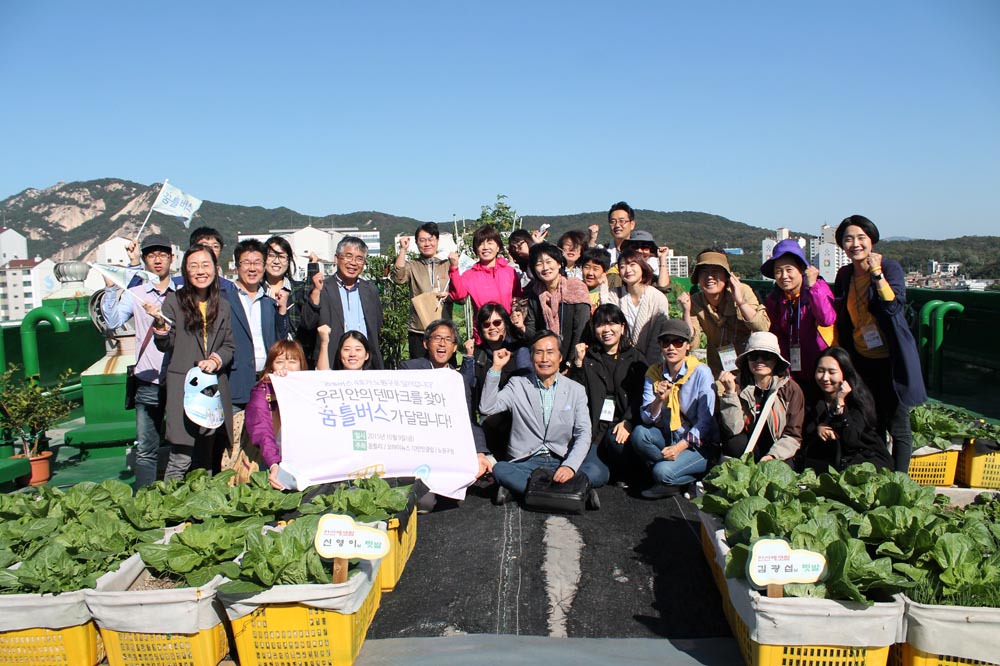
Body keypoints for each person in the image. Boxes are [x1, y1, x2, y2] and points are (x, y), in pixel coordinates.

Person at [832, 215, 926, 473]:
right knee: (873, 420)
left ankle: (901, 479)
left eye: (861, 237)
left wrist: (876, 273)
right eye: (848, 239)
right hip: (861, 358)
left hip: (891, 358)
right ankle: (882, 470)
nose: (855, 244)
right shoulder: (845, 274)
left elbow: (894, 306)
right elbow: (840, 312)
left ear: (872, 239)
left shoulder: (889, 267)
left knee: (898, 424)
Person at [479, 330, 601, 508]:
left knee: (598, 471)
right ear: (531, 357)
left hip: (561, 457)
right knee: (500, 469)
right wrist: (496, 368)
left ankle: (523, 491)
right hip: (526, 462)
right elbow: (487, 408)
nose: (544, 358)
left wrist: (570, 467)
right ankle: (576, 492)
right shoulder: (517, 384)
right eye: (539, 352)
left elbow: (584, 433)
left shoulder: (576, 390)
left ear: (560, 357)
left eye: (550, 352)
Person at [148, 244, 235, 480]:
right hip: (183, 387)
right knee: (181, 456)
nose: (200, 271)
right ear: (185, 271)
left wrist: (216, 360)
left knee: (206, 458)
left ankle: (200, 510)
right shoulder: (173, 303)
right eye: (193, 266)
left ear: (215, 269)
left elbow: (229, 346)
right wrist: (160, 327)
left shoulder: (224, 305)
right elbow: (166, 345)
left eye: (205, 265)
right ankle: (168, 510)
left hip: (211, 389)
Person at [101, 232, 177, 488]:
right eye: (152, 255)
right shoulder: (135, 292)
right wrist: (110, 290)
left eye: (162, 255)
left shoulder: (182, 292)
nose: (158, 260)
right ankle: (145, 499)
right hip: (148, 379)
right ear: (144, 260)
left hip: (178, 378)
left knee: (183, 443)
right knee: (146, 448)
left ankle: (179, 495)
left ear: (172, 258)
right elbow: (112, 322)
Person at [630, 320, 718, 498]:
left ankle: (680, 476)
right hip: (670, 435)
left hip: (699, 445)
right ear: (660, 346)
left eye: (678, 342)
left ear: (687, 345)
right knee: (640, 434)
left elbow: (705, 423)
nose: (671, 347)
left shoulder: (701, 372)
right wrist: (658, 400)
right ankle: (672, 475)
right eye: (666, 342)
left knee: (662, 472)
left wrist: (679, 448)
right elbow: (647, 419)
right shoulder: (654, 373)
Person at [401, 320, 491, 479]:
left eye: (448, 339)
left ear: (455, 347)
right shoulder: (410, 369)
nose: (442, 343)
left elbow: (468, 419)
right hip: (417, 447)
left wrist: (480, 452)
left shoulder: (459, 380)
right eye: (436, 338)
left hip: (449, 447)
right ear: (425, 344)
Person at [568, 304, 648, 484]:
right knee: (592, 477)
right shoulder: (589, 358)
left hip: (621, 427)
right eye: (600, 324)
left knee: (616, 443)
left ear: (622, 327)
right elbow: (575, 395)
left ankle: (629, 470)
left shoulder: (635, 358)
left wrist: (628, 420)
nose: (606, 330)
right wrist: (578, 365)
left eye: (612, 323)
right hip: (596, 431)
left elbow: (642, 396)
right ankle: (611, 471)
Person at [761, 239, 836, 405]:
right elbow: (777, 335)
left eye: (789, 270)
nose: (784, 276)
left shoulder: (818, 288)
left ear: (802, 269)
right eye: (778, 271)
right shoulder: (775, 299)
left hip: (820, 370)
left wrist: (812, 288)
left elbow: (826, 319)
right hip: (792, 372)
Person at [222, 239, 290, 409]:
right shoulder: (223, 299)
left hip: (266, 383)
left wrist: (282, 312)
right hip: (235, 383)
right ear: (237, 266)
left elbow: (279, 340)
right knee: (236, 435)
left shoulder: (269, 302)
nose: (252, 268)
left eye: (258, 263)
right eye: (246, 262)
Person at [717, 332, 805, 463]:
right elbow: (733, 429)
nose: (759, 361)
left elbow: (793, 435)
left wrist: (772, 457)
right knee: (734, 443)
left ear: (776, 361)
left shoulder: (791, 390)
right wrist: (730, 393)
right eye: (753, 356)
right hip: (749, 448)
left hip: (778, 449)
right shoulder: (738, 385)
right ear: (747, 361)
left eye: (766, 356)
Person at [802, 347, 893, 472]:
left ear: (844, 373)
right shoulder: (811, 397)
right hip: (829, 460)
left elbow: (851, 440)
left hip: (864, 461)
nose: (825, 378)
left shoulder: (857, 399)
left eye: (832, 372)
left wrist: (840, 404)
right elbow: (803, 430)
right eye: (820, 371)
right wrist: (818, 429)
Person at [682, 248, 770, 377]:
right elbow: (692, 343)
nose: (709, 277)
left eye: (716, 271)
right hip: (718, 369)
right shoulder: (695, 301)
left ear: (727, 275)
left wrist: (740, 301)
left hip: (750, 368)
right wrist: (686, 312)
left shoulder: (742, 291)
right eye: (704, 272)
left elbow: (762, 327)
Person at [302, 236, 385, 369]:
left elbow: (377, 324)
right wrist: (316, 292)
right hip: (331, 362)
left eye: (359, 258)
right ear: (336, 258)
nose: (353, 263)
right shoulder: (323, 287)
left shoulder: (370, 289)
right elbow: (308, 323)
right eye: (348, 256)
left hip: (365, 365)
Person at [461, 303, 532, 459]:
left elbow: (527, 382)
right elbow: (466, 388)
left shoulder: (518, 349)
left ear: (505, 323)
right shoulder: (478, 353)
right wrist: (468, 358)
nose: (492, 327)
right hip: (488, 417)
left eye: (497, 322)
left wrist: (522, 329)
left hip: (517, 417)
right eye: (486, 324)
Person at [244, 339, 310, 490]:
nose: (286, 367)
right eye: (279, 361)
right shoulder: (262, 391)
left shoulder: (309, 389)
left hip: (305, 463)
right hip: (272, 462)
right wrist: (274, 464)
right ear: (271, 366)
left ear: (301, 365)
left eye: (292, 361)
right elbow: (262, 431)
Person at [521, 243, 591, 369]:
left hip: (575, 361)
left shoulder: (576, 288)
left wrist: (571, 362)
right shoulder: (535, 293)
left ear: (559, 263)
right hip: (546, 363)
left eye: (549, 261)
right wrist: (521, 327)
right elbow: (534, 332)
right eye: (539, 264)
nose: (545, 267)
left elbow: (581, 330)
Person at [448, 225, 522, 341]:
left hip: (508, 334)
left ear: (498, 247)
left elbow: (518, 298)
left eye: (490, 243)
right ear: (476, 249)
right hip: (483, 336)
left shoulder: (509, 272)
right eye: (481, 244)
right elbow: (458, 296)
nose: (485, 247)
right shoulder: (470, 275)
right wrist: (454, 268)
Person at [393, 222, 452, 360]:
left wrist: (450, 296)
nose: (427, 244)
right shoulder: (413, 266)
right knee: (419, 371)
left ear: (437, 241)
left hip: (444, 329)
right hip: (418, 330)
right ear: (417, 243)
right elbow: (398, 277)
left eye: (430, 239)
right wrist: (403, 249)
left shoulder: (447, 264)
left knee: (445, 371)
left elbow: (460, 294)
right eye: (422, 240)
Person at [604, 249, 672, 366]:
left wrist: (648, 368)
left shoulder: (657, 298)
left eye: (632, 265)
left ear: (642, 267)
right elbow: (605, 320)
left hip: (651, 363)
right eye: (622, 266)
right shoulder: (614, 295)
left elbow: (657, 339)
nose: (628, 270)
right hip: (619, 361)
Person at [188, 226, 235, 292]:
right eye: (205, 245)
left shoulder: (229, 288)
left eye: (215, 246)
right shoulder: (178, 286)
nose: (211, 250)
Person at [579, 248, 621, 312]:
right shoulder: (575, 291)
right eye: (586, 267)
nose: (590, 273)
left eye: (595, 269)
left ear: (605, 272)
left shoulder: (610, 295)